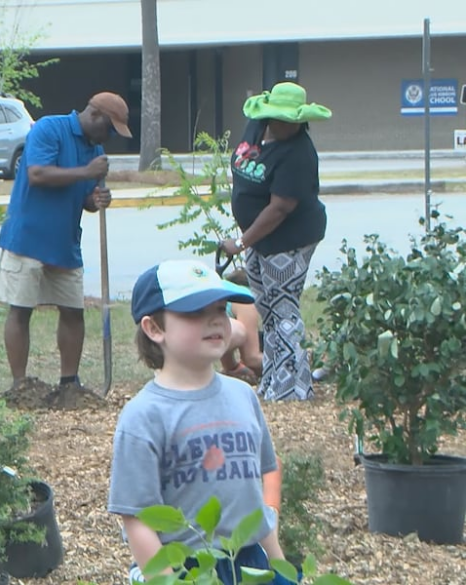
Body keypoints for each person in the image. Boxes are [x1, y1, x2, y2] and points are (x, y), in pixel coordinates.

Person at [109, 260, 288, 584]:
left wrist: (279, 566)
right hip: (184, 566)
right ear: (154, 328)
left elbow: (255, 499)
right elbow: (137, 518)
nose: (215, 321)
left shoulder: (243, 396)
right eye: (195, 312)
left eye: (220, 309)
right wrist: (167, 579)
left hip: (248, 561)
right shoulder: (144, 416)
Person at [0, 92, 125, 395]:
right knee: (21, 308)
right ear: (94, 115)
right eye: (110, 129)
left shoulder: (95, 149)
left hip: (64, 242)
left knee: (72, 310)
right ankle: (20, 385)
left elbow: (84, 198)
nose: (111, 137)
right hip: (27, 238)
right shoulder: (48, 129)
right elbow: (37, 174)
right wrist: (87, 172)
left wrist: (96, 198)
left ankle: (69, 383)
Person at [219, 81, 331, 402]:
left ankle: (290, 390)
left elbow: (280, 208)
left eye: (291, 121)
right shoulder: (257, 126)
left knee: (282, 308)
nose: (284, 125)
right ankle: (275, 380)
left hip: (289, 238)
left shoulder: (300, 154)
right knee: (266, 308)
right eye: (278, 118)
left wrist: (241, 242)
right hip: (259, 239)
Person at [219, 269, 263, 382]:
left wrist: (234, 367)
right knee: (240, 330)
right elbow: (251, 358)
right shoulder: (244, 297)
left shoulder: (222, 288)